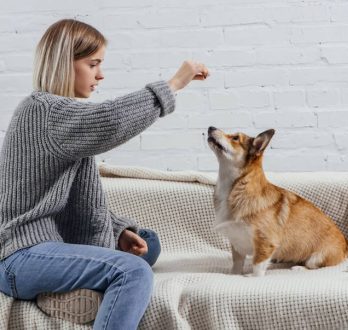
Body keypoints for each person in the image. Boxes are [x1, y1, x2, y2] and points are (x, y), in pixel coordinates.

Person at [0, 19, 209, 329]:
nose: (101, 74)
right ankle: (58, 290)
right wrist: (173, 85)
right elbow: (110, 120)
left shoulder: (64, 116)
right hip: (21, 256)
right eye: (92, 64)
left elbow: (77, 203)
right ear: (64, 63)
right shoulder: (41, 110)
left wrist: (117, 230)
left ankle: (61, 294)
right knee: (132, 271)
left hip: (50, 245)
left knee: (148, 242)